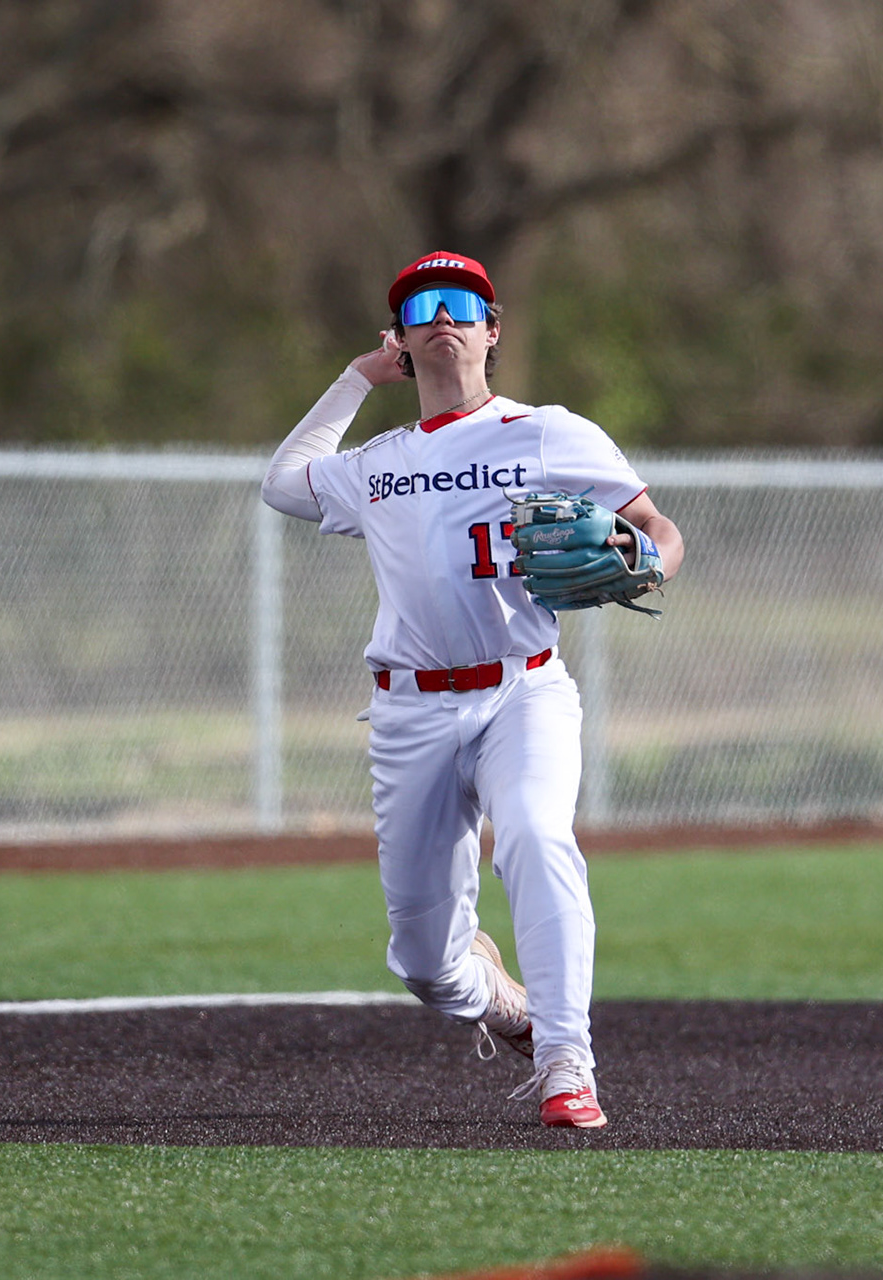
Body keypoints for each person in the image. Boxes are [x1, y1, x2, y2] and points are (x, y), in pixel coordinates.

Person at [260, 251, 685, 1128]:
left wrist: (648, 564)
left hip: (524, 691)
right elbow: (281, 483)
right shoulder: (377, 463)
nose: (441, 315)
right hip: (410, 709)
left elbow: (658, 529)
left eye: (463, 303)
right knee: (425, 965)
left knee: (535, 833)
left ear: (493, 329)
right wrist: (353, 378)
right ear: (404, 341)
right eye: (421, 306)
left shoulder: (548, 430)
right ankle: (508, 1005)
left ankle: (569, 1064)